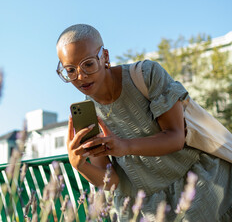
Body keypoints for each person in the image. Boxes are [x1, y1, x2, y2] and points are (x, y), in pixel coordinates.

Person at [56, 24, 232, 221]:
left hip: (197, 188)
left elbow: (175, 137)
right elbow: (112, 182)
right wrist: (79, 165)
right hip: (149, 209)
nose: (81, 77)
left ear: (105, 56)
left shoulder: (146, 75)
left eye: (88, 64)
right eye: (70, 70)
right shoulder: (88, 113)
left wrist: (125, 146)